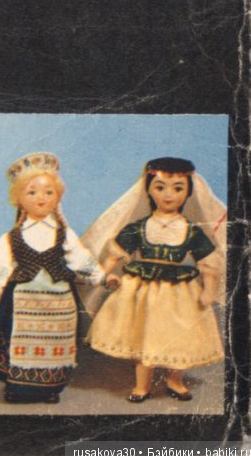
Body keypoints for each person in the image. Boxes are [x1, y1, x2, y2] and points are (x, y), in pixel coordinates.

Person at [83, 157, 225, 402]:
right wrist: (103, 274)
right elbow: (114, 255)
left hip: (178, 294)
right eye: (160, 187)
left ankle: (175, 380)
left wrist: (208, 290)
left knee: (177, 337)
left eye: (178, 188)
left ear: (188, 192)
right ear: (148, 189)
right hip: (142, 291)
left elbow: (208, 264)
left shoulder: (191, 231)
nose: (168, 195)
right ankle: (142, 384)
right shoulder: (138, 228)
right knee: (143, 335)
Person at [0, 152, 105, 404]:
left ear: (57, 197)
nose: (41, 198)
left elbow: (79, 258)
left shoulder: (64, 233)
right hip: (22, 299)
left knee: (54, 342)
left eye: (49, 192)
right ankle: (17, 387)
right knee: (19, 339)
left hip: (58, 301)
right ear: (18, 198)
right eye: (32, 192)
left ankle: (50, 388)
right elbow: (0, 261)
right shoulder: (13, 236)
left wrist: (100, 276)